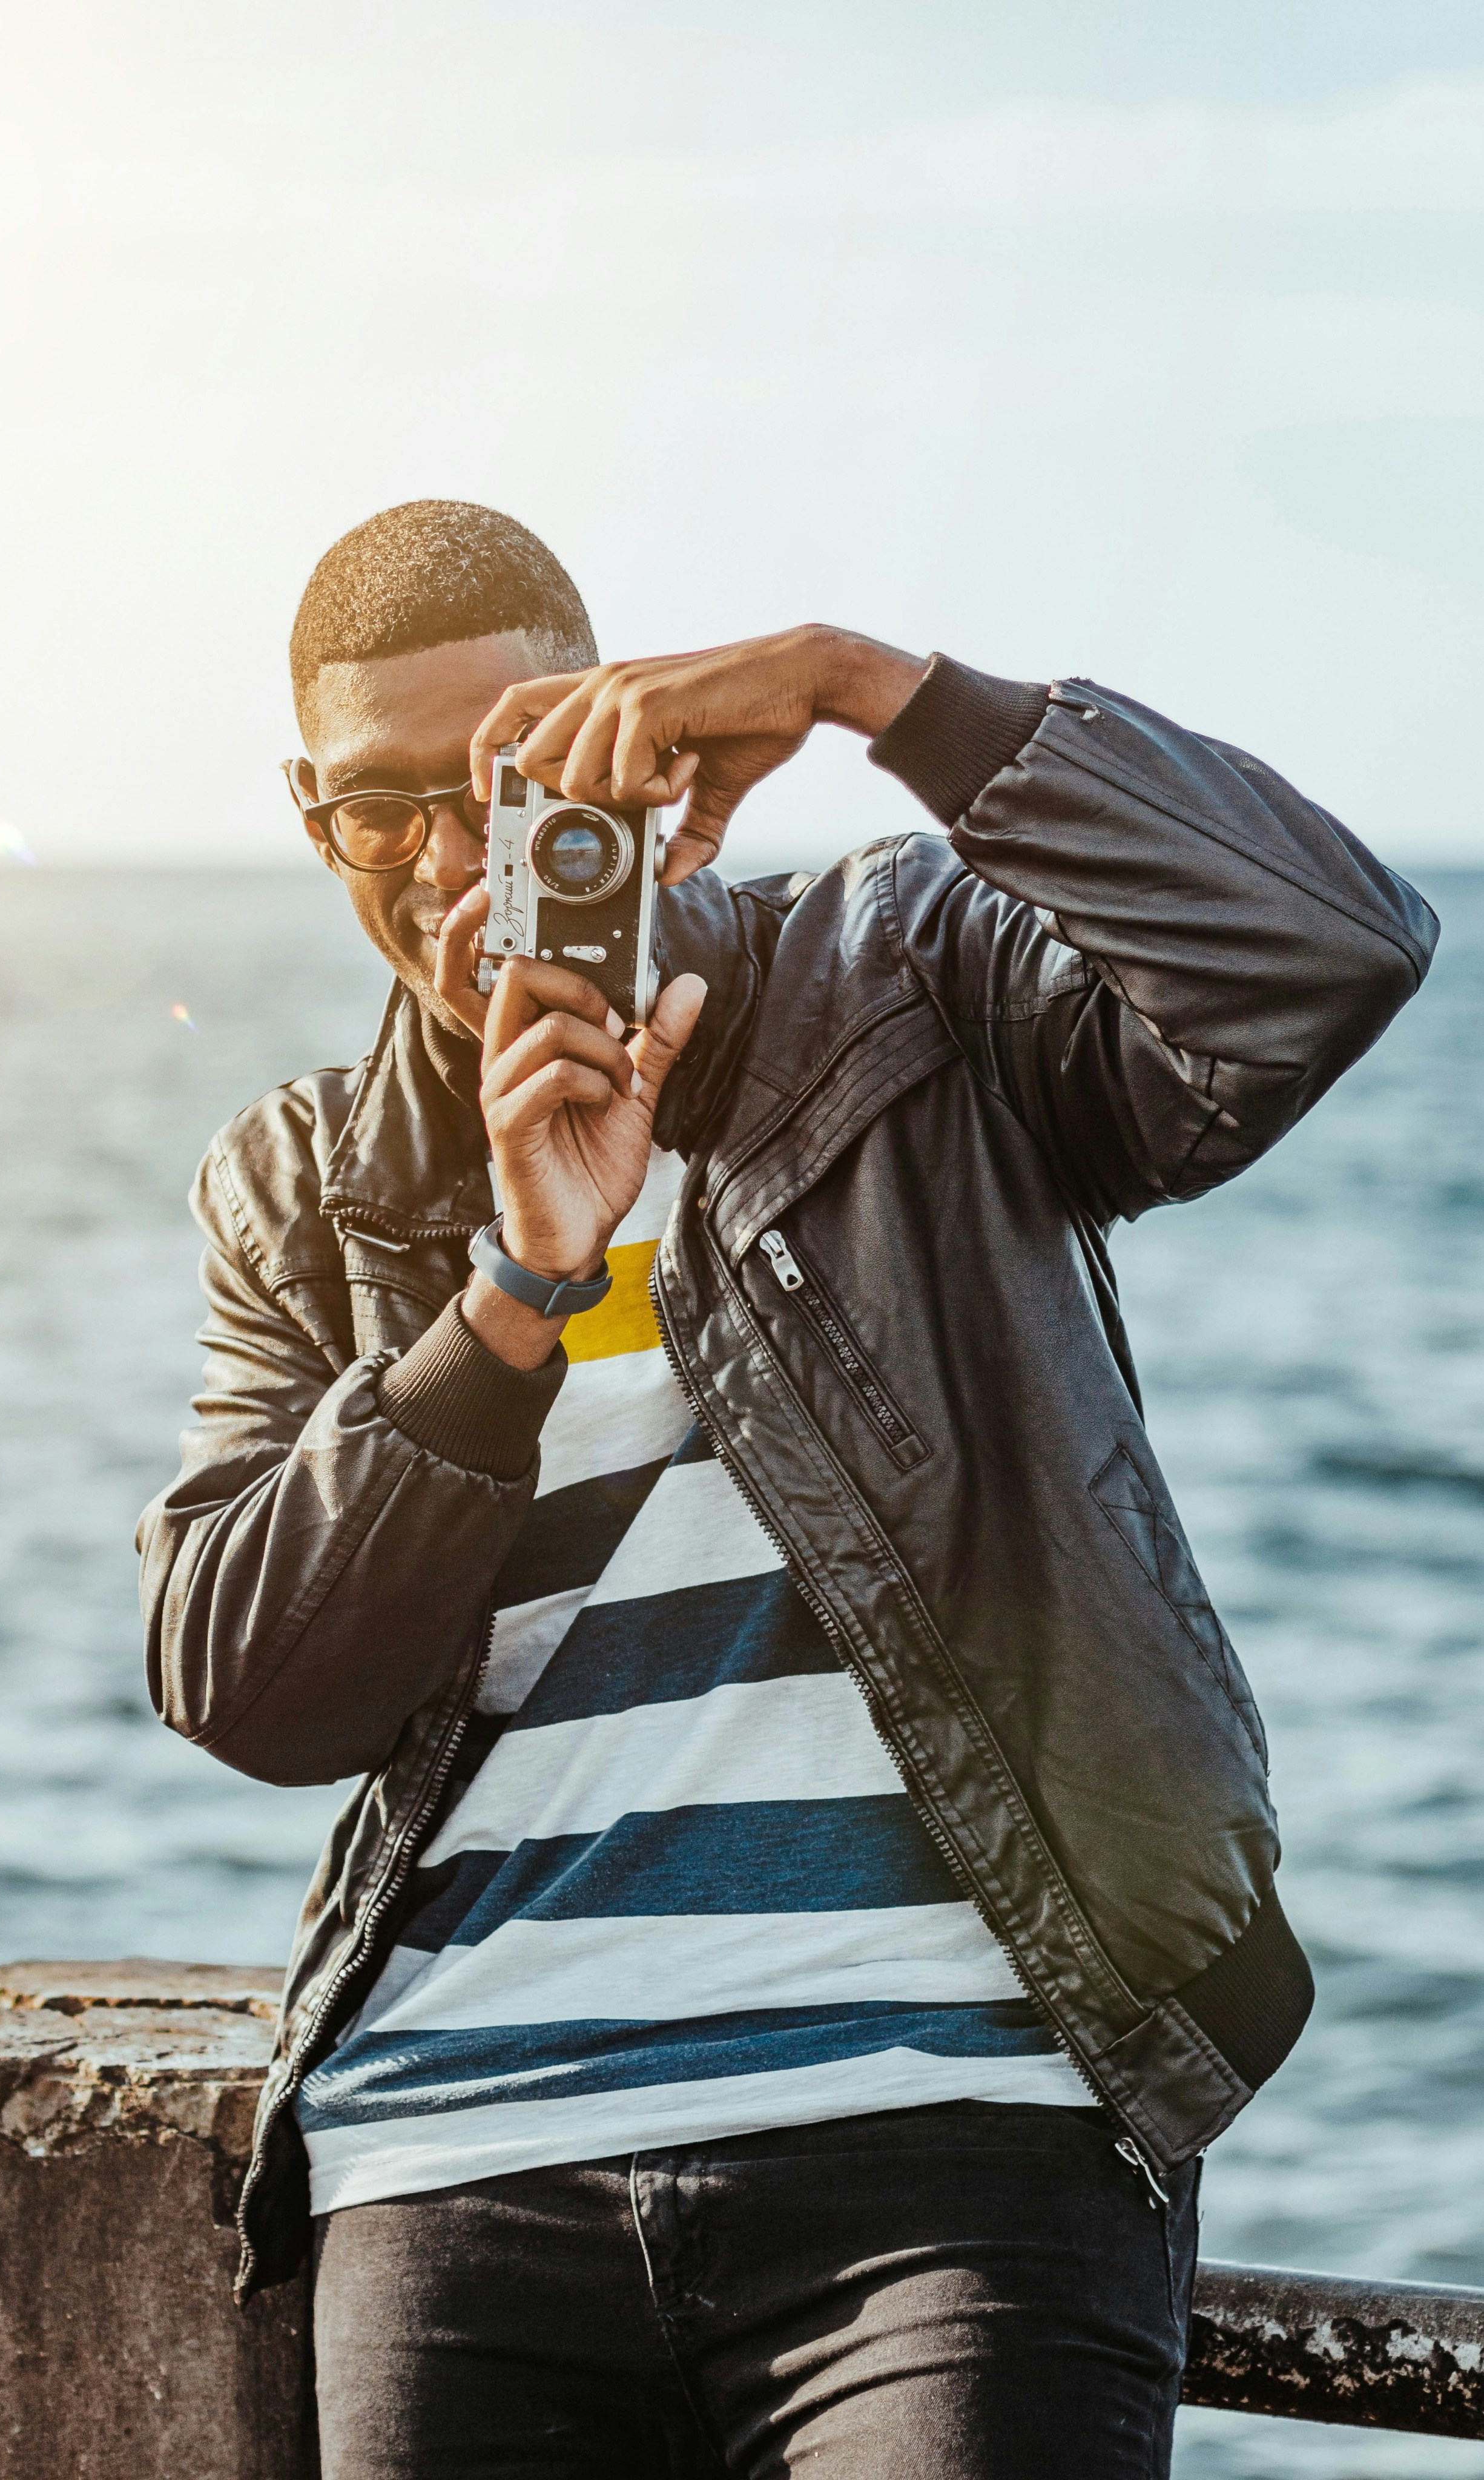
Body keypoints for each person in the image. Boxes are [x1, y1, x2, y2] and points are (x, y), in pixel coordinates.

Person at [139, 498, 1437, 2476]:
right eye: (374, 815)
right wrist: (509, 1299)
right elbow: (248, 1686)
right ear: (314, 819)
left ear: (647, 774)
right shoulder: (307, 1186)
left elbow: (1322, 950)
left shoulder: (904, 981)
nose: (451, 867)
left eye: (507, 787)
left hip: (950, 2131)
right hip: (461, 2163)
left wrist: (865, 687)